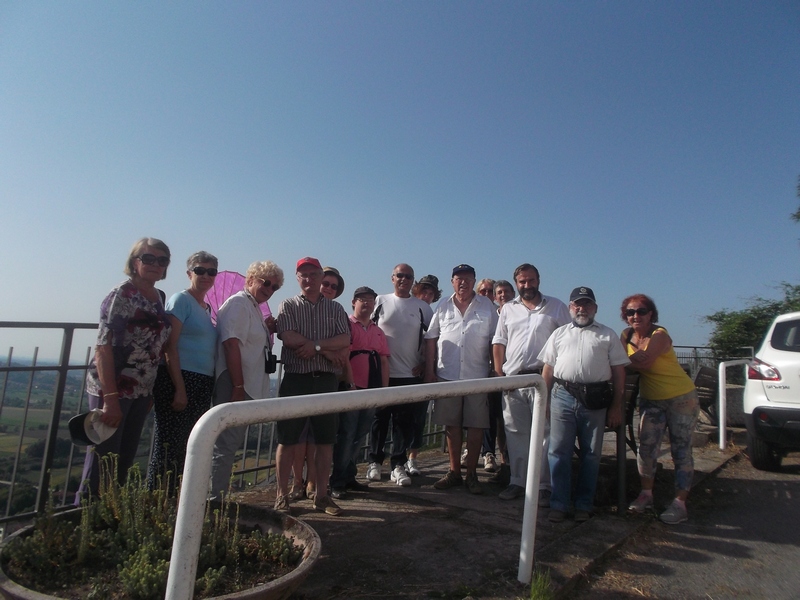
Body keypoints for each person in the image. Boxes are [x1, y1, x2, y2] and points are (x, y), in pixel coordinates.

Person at [77, 237, 172, 500]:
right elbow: (103, 347)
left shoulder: (158, 297)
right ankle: (84, 521)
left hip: (142, 389)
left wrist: (150, 391)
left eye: (162, 260)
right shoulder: (122, 294)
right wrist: (110, 399)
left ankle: (109, 521)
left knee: (124, 459)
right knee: (102, 461)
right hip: (114, 388)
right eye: (148, 258)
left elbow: (157, 346)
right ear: (134, 262)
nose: (156, 264)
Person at [539, 286, 629, 523]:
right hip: (562, 397)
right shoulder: (558, 334)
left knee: (591, 454)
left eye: (587, 304)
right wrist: (545, 401)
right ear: (570, 308)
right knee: (558, 452)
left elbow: (619, 374)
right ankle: (559, 504)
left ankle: (583, 505)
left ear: (595, 308)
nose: (582, 309)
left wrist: (616, 406)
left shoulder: (608, 335)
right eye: (577, 304)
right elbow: (548, 369)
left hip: (595, 400)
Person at [274, 257, 350, 515]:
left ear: (320, 276)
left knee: (325, 441)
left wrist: (317, 347)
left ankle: (321, 495)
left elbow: (344, 339)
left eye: (313, 275)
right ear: (298, 278)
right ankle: (281, 495)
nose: (308, 279)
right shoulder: (288, 305)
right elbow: (287, 336)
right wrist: (327, 350)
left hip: (326, 380)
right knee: (287, 440)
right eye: (303, 275)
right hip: (296, 378)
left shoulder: (336, 309)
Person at [491, 264, 570, 501]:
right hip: (514, 379)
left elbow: (567, 341)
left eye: (531, 280)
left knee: (545, 434)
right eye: (522, 282)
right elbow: (499, 341)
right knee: (515, 432)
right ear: (517, 283)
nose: (527, 285)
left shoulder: (556, 307)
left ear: (538, 280)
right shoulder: (508, 309)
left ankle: (544, 486)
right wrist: (499, 374)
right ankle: (518, 481)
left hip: (543, 379)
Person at [621, 294, 700, 525]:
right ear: (625, 317)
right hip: (650, 399)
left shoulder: (660, 335)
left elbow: (641, 363)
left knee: (680, 449)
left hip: (681, 398)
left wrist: (626, 361)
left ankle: (680, 503)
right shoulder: (626, 335)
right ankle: (646, 494)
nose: (636, 316)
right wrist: (628, 360)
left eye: (641, 311)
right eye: (630, 312)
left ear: (651, 314)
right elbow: (619, 359)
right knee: (646, 448)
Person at [209, 260, 283, 499]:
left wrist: (266, 328)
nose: (269, 289)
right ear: (250, 280)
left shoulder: (251, 307)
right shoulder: (239, 304)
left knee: (230, 443)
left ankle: (214, 497)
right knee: (226, 444)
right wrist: (238, 386)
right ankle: (212, 500)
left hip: (243, 383)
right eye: (266, 282)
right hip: (235, 383)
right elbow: (231, 344)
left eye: (274, 287)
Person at [147, 251, 218, 493]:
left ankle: (177, 502)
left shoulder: (207, 308)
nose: (206, 275)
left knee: (190, 445)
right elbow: (169, 346)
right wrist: (179, 388)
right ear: (189, 273)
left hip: (201, 381)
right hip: (180, 378)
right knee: (169, 447)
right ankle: (156, 501)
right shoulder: (181, 301)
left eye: (211, 271)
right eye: (200, 270)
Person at [425, 264, 498, 494]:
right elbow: (431, 338)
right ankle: (454, 472)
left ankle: (472, 475)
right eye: (458, 279)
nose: (463, 283)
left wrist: (495, 371)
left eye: (467, 278)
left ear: (473, 280)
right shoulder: (443, 305)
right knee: (452, 425)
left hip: (477, 376)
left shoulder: (487, 305)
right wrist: (429, 371)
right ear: (452, 281)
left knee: (476, 426)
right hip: (448, 375)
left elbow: (496, 340)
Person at [367, 264, 433, 485]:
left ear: (413, 281)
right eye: (400, 275)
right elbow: (367, 328)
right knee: (379, 421)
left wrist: (425, 364)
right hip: (382, 374)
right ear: (392, 278)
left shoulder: (422, 307)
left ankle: (398, 465)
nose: (404, 279)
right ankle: (374, 462)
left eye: (408, 276)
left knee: (403, 424)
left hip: (409, 374)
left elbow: (433, 339)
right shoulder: (379, 301)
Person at [330, 286, 390, 499]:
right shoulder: (346, 325)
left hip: (372, 389)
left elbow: (384, 360)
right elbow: (345, 355)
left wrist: (383, 390)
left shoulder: (377, 331)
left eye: (371, 300)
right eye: (362, 299)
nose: (367, 303)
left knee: (360, 435)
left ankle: (349, 476)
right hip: (351, 389)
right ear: (353, 302)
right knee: (346, 435)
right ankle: (336, 480)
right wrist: (350, 383)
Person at [479, 279, 516, 474]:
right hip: (493, 373)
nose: (503, 295)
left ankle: (507, 460)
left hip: (513, 373)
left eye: (506, 292)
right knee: (494, 416)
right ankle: (493, 455)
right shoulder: (490, 315)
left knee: (507, 420)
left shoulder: (519, 313)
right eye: (499, 292)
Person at [407, 273, 441, 473]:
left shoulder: (433, 314)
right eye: (424, 291)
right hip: (400, 370)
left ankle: (412, 457)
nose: (426, 296)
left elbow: (436, 344)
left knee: (418, 417)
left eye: (431, 293)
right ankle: (398, 458)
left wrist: (426, 365)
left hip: (420, 372)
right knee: (400, 417)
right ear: (416, 291)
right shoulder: (407, 308)